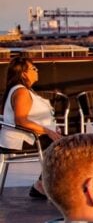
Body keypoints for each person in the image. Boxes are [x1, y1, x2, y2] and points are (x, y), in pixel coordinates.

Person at [1, 57, 61, 198]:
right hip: (21, 140)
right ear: (23, 73)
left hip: (30, 136)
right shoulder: (21, 92)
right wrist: (47, 131)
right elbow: (20, 120)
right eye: (34, 69)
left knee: (64, 143)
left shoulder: (25, 90)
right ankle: (43, 185)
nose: (37, 70)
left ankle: (41, 185)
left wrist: (50, 129)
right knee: (64, 147)